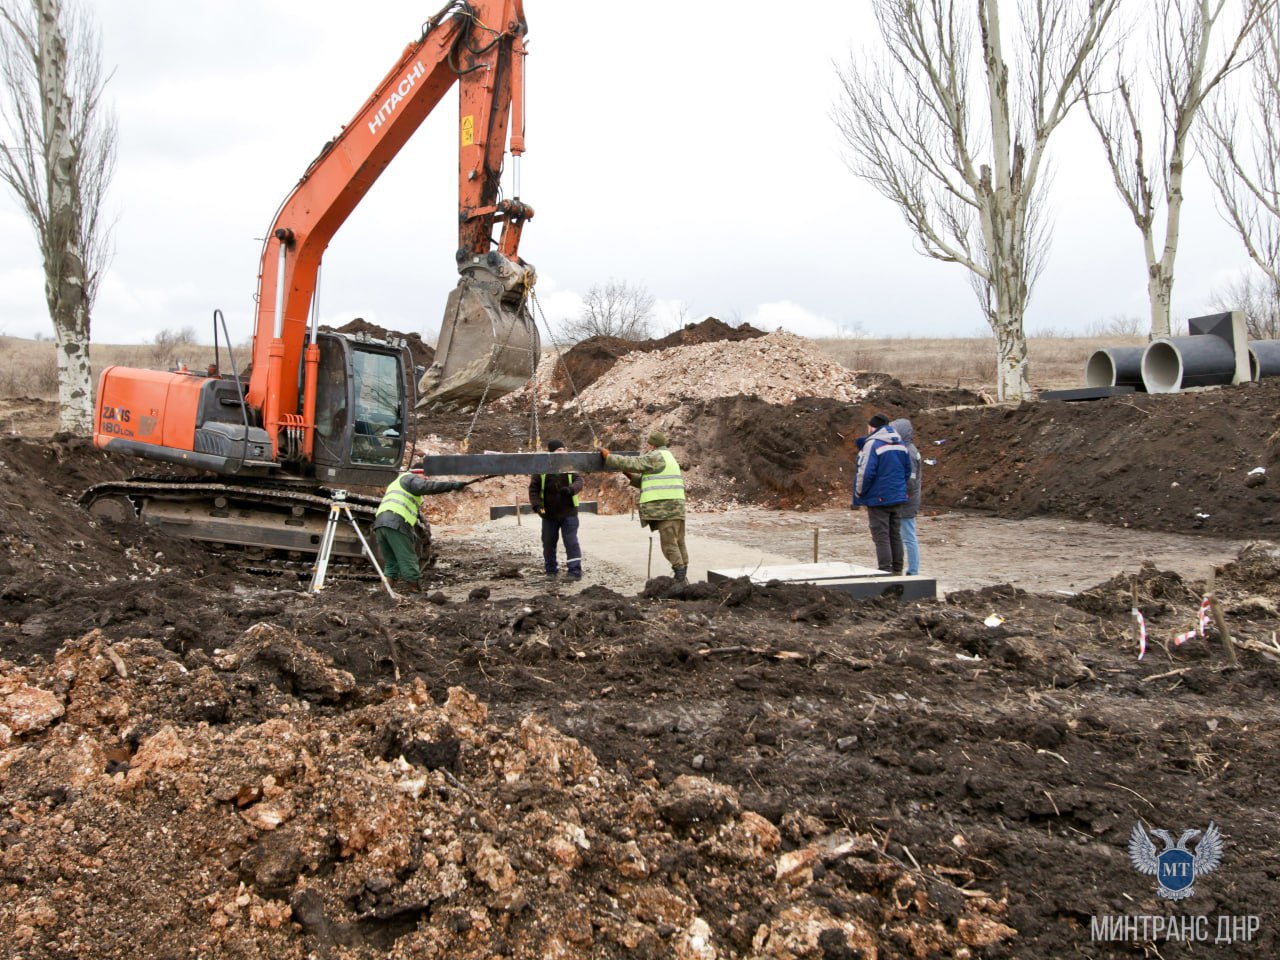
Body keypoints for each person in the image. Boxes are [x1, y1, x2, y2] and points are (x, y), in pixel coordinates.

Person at [601, 430, 689, 581]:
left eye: (648, 443)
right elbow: (647, 481)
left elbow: (634, 463)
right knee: (679, 542)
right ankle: (682, 575)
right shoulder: (669, 457)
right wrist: (628, 474)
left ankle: (679, 579)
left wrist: (609, 457)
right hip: (676, 508)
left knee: (669, 545)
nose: (647, 446)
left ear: (652, 445)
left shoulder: (656, 456)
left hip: (664, 509)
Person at [372, 465, 467, 593]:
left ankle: (384, 592)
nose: (426, 479)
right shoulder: (410, 478)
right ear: (418, 473)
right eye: (425, 476)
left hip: (380, 523)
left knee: (391, 562)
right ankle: (415, 593)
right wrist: (452, 485)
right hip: (395, 522)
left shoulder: (397, 483)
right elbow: (427, 487)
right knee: (408, 559)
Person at [851, 412, 911, 574]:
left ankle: (885, 571)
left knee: (881, 536)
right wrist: (898, 489)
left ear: (872, 427)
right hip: (897, 497)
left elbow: (866, 473)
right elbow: (907, 471)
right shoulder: (900, 444)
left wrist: (859, 494)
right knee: (895, 534)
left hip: (878, 499)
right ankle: (897, 570)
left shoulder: (873, 444)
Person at [528, 439, 585, 580]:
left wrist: (570, 490)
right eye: (559, 450)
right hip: (549, 515)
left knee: (571, 541)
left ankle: (575, 572)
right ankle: (551, 571)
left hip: (569, 513)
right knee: (548, 543)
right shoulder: (543, 469)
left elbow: (579, 481)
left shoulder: (570, 466)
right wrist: (536, 505)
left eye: (563, 449)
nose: (562, 451)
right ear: (551, 452)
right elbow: (533, 488)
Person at [890, 417, 922, 576]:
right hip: (906, 499)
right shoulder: (907, 449)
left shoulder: (908, 452)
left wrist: (899, 494)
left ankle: (913, 571)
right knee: (904, 536)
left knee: (908, 536)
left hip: (907, 502)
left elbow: (910, 481)